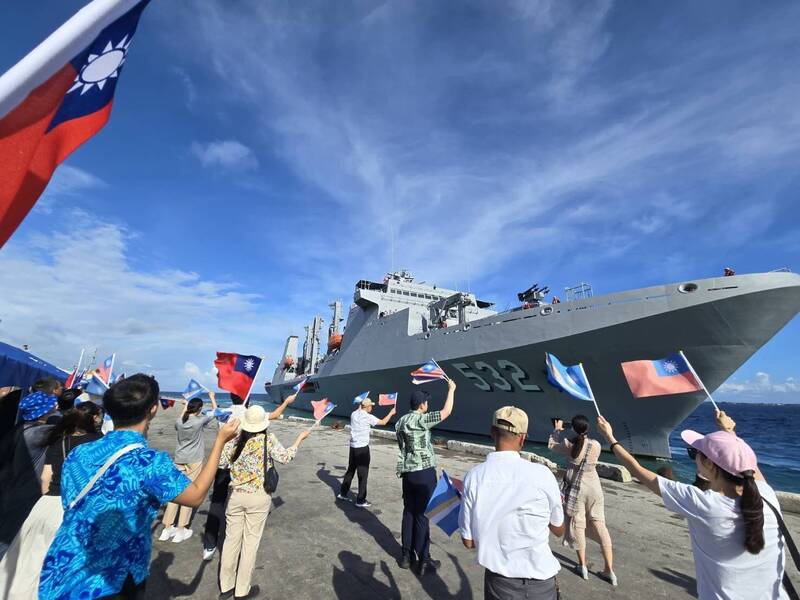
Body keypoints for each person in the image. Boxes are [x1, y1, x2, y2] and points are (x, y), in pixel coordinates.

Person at [38, 374, 239, 599]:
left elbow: (70, 504)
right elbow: (195, 496)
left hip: (61, 568)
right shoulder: (149, 462)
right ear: (153, 409)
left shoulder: (78, 454)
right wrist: (220, 441)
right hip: (113, 581)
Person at [596, 410, 788, 600]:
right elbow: (745, 465)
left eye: (694, 453)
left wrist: (610, 437)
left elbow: (636, 469)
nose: (694, 456)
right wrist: (729, 432)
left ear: (710, 465)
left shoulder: (702, 504)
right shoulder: (767, 495)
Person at [460, 406, 565, 600]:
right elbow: (559, 530)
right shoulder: (543, 474)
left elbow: (468, 541)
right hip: (541, 583)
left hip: (500, 584)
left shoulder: (474, 477)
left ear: (492, 433)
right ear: (523, 438)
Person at [0, 402, 103, 598]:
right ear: (95, 417)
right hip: (75, 508)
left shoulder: (60, 441)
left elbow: (45, 481)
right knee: (60, 569)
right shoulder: (99, 443)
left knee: (26, 562)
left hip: (47, 504)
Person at [218, 405, 310, 599]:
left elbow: (221, 463)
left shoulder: (234, 439)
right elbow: (285, 458)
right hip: (259, 497)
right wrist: (298, 440)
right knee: (250, 544)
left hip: (236, 495)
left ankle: (226, 586)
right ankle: (242, 591)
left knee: (231, 541)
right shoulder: (268, 439)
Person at [202, 391, 298, 561]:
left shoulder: (223, 414)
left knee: (217, 502)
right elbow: (274, 415)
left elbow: (216, 410)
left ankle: (209, 545)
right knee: (241, 503)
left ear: (231, 398)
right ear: (248, 401)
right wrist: (287, 402)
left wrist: (212, 399)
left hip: (224, 463)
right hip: (241, 464)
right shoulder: (249, 416)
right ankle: (241, 542)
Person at [395, 377, 456, 574]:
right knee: (422, 516)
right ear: (422, 405)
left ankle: (406, 556)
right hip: (424, 473)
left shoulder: (401, 422)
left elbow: (402, 447)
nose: (427, 405)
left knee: (408, 513)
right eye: (426, 402)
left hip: (408, 473)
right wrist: (451, 389)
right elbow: (447, 412)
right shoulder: (422, 419)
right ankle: (423, 559)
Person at [549, 415, 616, 585]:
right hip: (594, 486)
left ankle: (583, 565)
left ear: (573, 428)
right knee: (599, 523)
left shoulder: (568, 444)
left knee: (578, 524)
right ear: (587, 428)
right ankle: (609, 570)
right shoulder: (597, 445)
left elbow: (551, 446)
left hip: (576, 488)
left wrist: (556, 430)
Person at [0, 390, 59, 559]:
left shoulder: (18, 428)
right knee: (6, 539)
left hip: (8, 486)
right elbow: (65, 428)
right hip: (22, 493)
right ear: (42, 411)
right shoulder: (39, 433)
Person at [158, 392, 219, 544]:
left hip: (179, 459)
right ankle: (180, 529)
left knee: (175, 492)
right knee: (189, 492)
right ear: (198, 410)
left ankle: (167, 528)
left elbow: (181, 417)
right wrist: (212, 397)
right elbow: (216, 411)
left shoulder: (180, 422)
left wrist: (185, 407)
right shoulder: (198, 422)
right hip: (194, 460)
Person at [337, 396, 396, 507]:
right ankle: (360, 500)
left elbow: (359, 409)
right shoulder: (368, 417)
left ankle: (343, 493)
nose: (372, 408)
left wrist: (361, 404)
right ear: (367, 406)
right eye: (371, 406)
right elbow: (383, 422)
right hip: (362, 448)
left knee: (350, 470)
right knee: (363, 475)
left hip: (353, 447)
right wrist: (391, 413)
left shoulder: (353, 414)